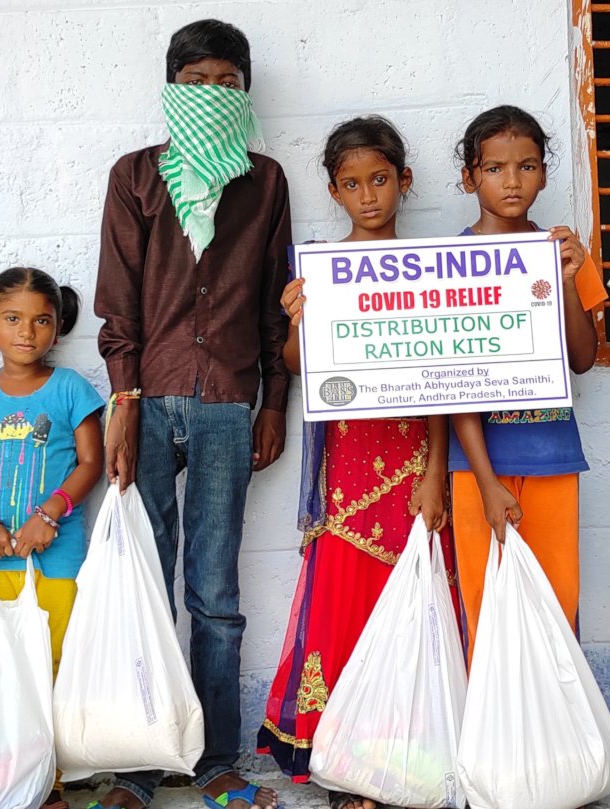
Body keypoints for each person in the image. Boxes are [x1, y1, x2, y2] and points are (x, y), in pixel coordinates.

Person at [93, 18, 291, 809]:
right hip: (146, 400)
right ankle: (138, 764)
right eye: (199, 82)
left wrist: (273, 402)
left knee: (214, 591)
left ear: (245, 93)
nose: (214, 95)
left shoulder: (265, 180)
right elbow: (117, 300)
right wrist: (124, 401)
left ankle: (213, 759)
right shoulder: (136, 176)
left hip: (226, 406)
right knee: (145, 580)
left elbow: (277, 305)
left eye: (228, 84)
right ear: (174, 89)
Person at [256, 116, 456, 809]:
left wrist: (435, 470)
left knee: (411, 597)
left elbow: (447, 371)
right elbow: (292, 365)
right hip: (346, 456)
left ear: (403, 181)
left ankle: (408, 754)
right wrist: (301, 320)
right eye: (351, 184)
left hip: (414, 453)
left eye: (380, 180)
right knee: (345, 595)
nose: (368, 196)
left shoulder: (432, 266)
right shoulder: (319, 266)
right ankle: (347, 759)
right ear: (335, 191)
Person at [448, 105, 606, 663]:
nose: (512, 181)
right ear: (470, 177)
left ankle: (558, 744)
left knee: (557, 606)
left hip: (553, 453)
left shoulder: (563, 251)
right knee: (483, 604)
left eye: (527, 165)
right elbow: (454, 384)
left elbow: (584, 359)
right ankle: (494, 747)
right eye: (494, 168)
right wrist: (487, 481)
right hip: (475, 465)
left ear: (543, 172)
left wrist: (566, 278)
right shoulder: (452, 262)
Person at [0, 267, 105, 809]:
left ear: (58, 328)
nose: (26, 332)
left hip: (56, 557)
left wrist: (51, 512)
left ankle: (48, 783)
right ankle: (1, 776)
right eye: (12, 318)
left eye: (41, 320)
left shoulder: (71, 389)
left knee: (51, 664)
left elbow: (92, 463)